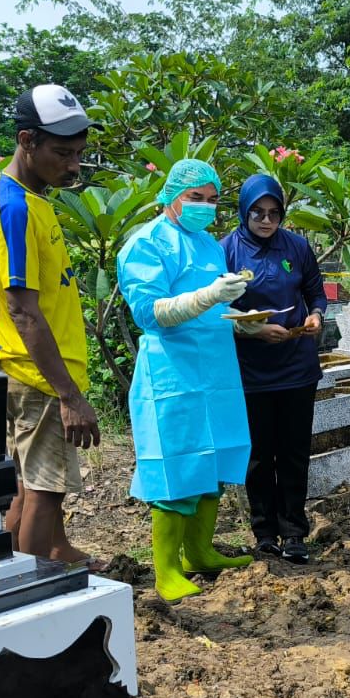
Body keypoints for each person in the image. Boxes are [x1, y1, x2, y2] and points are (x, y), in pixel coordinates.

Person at [115, 159, 253, 602]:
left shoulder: (210, 245)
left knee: (213, 462)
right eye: (196, 198)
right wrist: (211, 294)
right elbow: (152, 314)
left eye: (212, 200)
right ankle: (167, 570)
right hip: (171, 372)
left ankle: (199, 551)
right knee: (175, 463)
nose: (205, 207)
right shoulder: (146, 244)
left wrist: (241, 320)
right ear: (170, 197)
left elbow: (211, 310)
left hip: (215, 369)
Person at [0, 84, 100, 566]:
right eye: (63, 153)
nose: (73, 166)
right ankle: (27, 595)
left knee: (30, 487)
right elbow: (23, 308)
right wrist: (69, 395)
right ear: (27, 140)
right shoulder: (15, 207)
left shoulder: (10, 191)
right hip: (38, 375)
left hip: (24, 368)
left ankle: (4, 573)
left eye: (79, 154)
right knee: (46, 491)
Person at [222, 173, 327, 563]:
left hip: (297, 366)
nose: (266, 221)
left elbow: (315, 291)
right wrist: (253, 330)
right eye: (258, 213)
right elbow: (217, 309)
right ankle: (264, 532)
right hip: (251, 371)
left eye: (274, 214)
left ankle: (295, 532)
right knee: (259, 455)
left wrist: (316, 315)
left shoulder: (297, 247)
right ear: (244, 212)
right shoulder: (227, 250)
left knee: (295, 451)